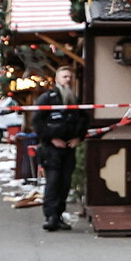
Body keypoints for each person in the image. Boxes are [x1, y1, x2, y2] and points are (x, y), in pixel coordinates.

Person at [33, 65, 88, 231]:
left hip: (68, 148)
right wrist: (51, 138)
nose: (68, 80)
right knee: (53, 183)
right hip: (51, 149)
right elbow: (37, 122)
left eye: (70, 77)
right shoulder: (47, 98)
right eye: (64, 77)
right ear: (57, 79)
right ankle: (50, 216)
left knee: (65, 184)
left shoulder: (74, 99)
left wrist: (79, 137)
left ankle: (58, 216)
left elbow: (84, 120)